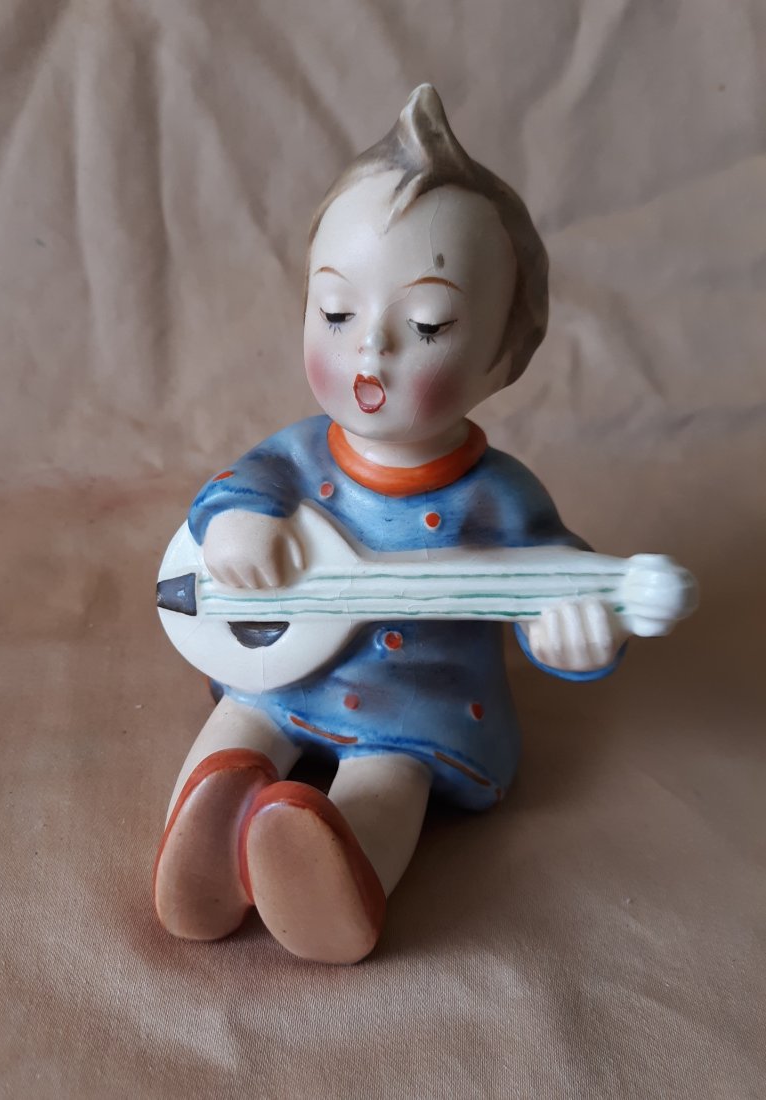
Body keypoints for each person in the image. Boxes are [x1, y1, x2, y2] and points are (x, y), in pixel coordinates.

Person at [154, 84, 627, 964]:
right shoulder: (301, 453)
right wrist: (237, 524)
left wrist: (572, 628)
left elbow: (552, 574)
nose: (369, 347)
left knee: (388, 776)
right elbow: (243, 483)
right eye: (335, 312)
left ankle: (334, 873)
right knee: (240, 722)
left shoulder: (496, 496)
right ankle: (206, 836)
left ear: (503, 355)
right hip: (281, 665)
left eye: (427, 324)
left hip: (419, 700)